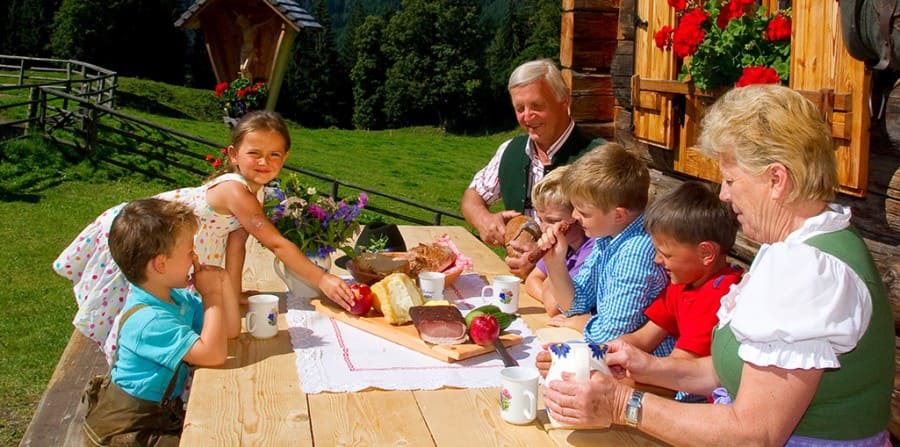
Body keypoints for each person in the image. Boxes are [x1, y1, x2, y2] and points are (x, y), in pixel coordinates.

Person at [541, 84, 893, 446]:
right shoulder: (798, 247)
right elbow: (737, 372)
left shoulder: (805, 268)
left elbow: (755, 433)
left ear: (776, 179)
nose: (724, 194)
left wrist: (621, 404)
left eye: (730, 180)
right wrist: (647, 366)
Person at [53, 111, 355, 362]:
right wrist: (322, 279)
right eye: (255, 154)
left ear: (285, 156)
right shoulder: (235, 190)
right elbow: (275, 242)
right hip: (147, 235)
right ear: (234, 155)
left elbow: (237, 245)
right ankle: (128, 369)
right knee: (135, 303)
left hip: (181, 244)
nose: (264, 162)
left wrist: (233, 295)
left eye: (274, 154)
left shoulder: (255, 191)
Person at [82, 198, 234, 445]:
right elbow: (214, 354)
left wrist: (222, 280)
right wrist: (212, 295)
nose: (194, 256)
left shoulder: (175, 298)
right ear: (161, 264)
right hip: (127, 433)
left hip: (158, 417)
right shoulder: (149, 321)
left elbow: (228, 331)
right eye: (188, 252)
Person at [460, 58, 604, 279]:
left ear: (564, 101)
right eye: (520, 109)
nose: (527, 117)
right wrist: (485, 221)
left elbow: (608, 241)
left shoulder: (599, 158)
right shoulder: (510, 150)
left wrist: (542, 264)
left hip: (574, 292)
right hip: (515, 283)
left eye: (537, 106)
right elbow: (472, 196)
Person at [536, 143, 669, 357]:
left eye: (584, 212)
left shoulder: (636, 252)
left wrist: (580, 323)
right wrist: (555, 263)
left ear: (618, 215)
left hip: (644, 368)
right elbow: (576, 304)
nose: (576, 217)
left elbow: (611, 333)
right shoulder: (608, 237)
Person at [523, 165, 595, 316]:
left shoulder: (591, 248)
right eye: (541, 219)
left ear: (576, 216)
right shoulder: (565, 245)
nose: (543, 229)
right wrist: (548, 291)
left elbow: (555, 307)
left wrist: (553, 266)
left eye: (552, 220)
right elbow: (532, 280)